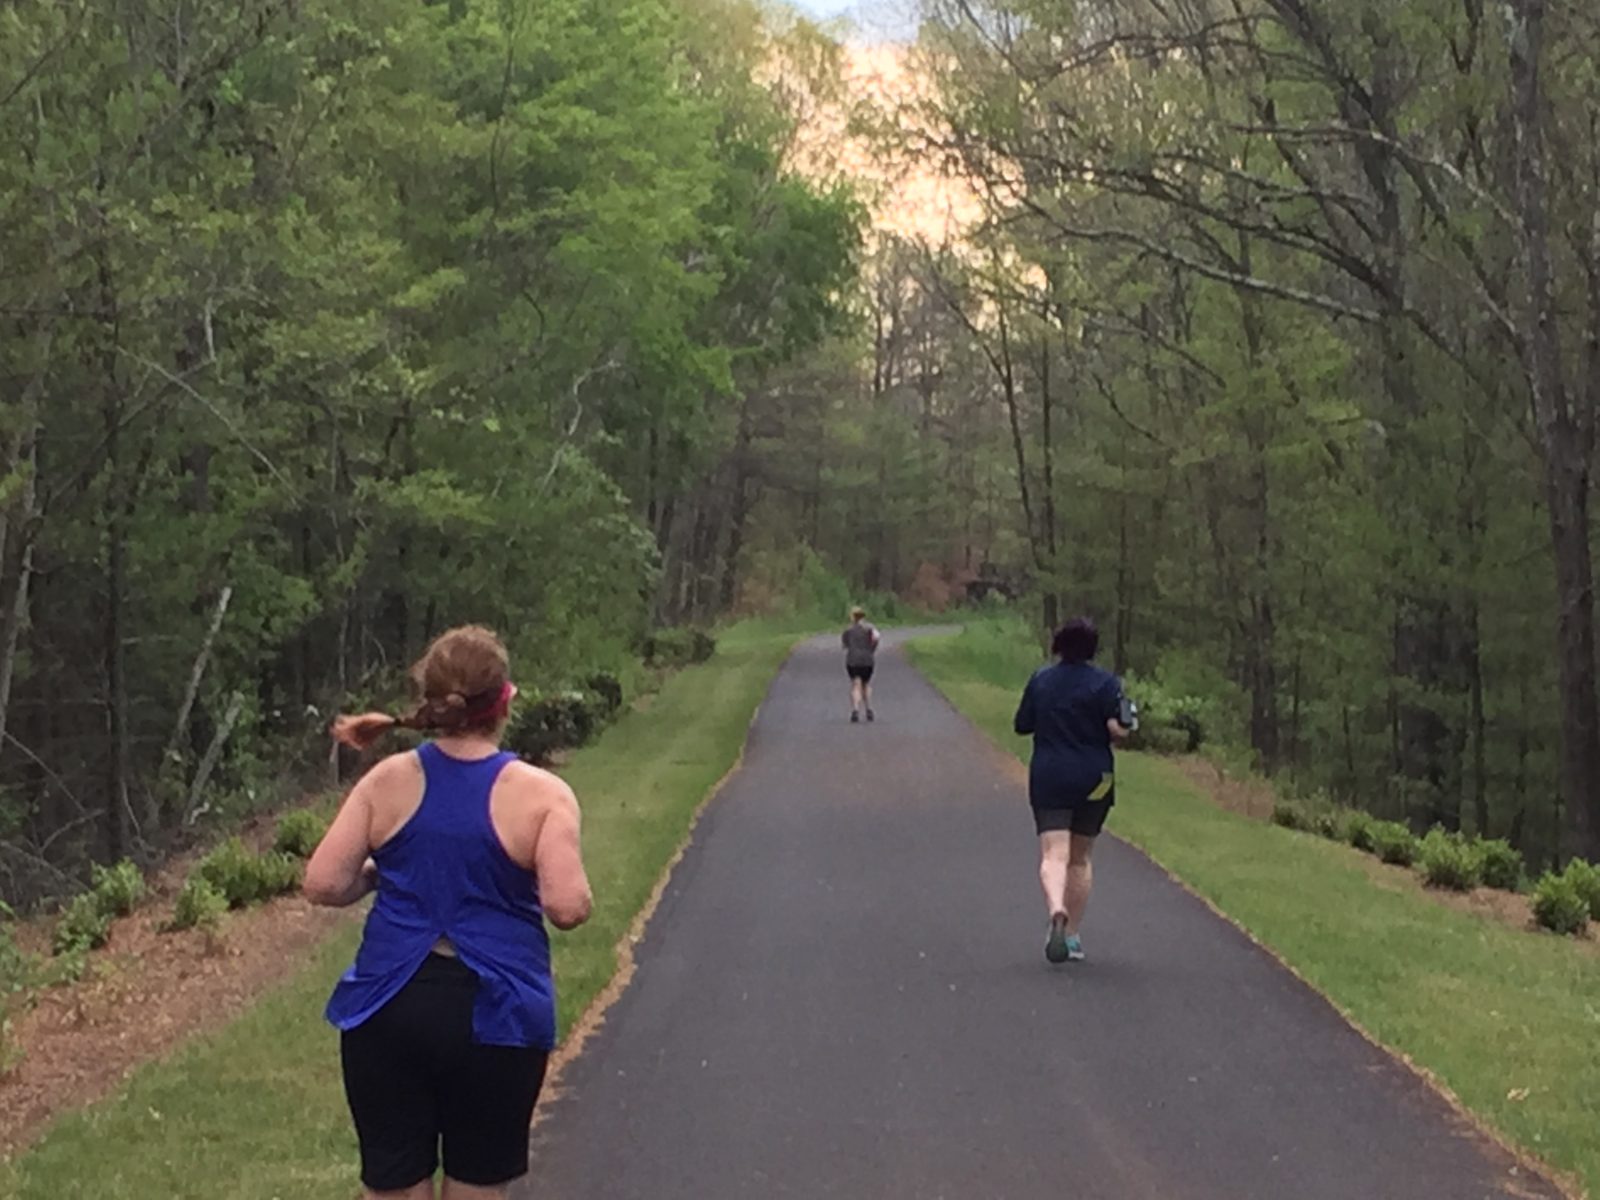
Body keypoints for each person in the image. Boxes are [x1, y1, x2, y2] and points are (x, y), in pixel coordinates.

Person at [304, 625, 592, 1200]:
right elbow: (565, 906)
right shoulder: (542, 795)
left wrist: (378, 876)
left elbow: (323, 882)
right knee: (477, 1187)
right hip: (497, 1015)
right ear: (504, 700)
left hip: (390, 1005)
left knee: (392, 1187)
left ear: (431, 702)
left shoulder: (386, 780)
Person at [1013, 617, 1130, 965]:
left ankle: (1056, 908)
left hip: (1050, 773)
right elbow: (1119, 731)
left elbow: (1022, 725)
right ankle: (1073, 934)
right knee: (1081, 857)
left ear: (1058, 645)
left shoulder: (1042, 680)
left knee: (1054, 853)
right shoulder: (1107, 684)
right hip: (1096, 777)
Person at [841, 606, 881, 723]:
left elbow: (845, 645)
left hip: (853, 660)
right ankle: (869, 708)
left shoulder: (848, 630)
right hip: (867, 660)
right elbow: (876, 640)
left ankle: (855, 709)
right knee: (866, 684)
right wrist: (871, 650)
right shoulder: (871, 629)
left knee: (856, 684)